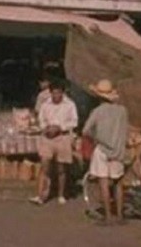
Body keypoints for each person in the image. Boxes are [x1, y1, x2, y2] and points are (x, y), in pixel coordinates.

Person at [82, 79, 129, 225]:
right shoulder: (122, 111)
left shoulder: (97, 112)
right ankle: (120, 215)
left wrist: (96, 137)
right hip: (119, 150)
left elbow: (86, 131)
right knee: (118, 182)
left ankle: (108, 216)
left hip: (102, 149)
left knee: (103, 181)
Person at [31, 80, 78, 205]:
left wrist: (59, 127)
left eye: (58, 93)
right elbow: (41, 120)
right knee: (44, 165)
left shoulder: (70, 104)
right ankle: (40, 195)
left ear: (62, 93)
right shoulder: (46, 105)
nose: (56, 95)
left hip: (63, 137)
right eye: (54, 93)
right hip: (48, 137)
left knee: (61, 168)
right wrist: (46, 128)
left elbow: (74, 121)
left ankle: (61, 194)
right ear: (50, 93)